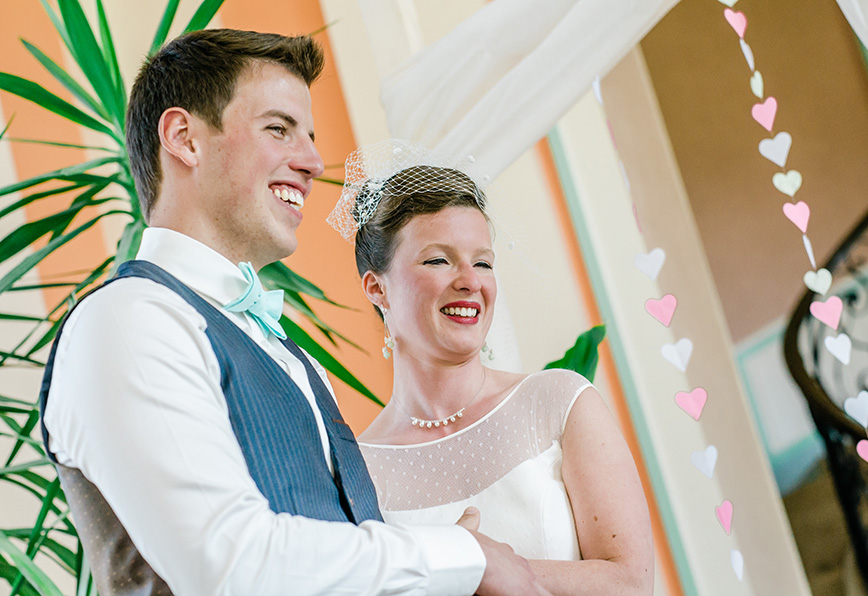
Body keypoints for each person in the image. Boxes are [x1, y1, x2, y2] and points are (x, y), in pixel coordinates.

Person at [38, 29, 549, 596]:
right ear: (184, 137)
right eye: (278, 129)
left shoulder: (282, 351)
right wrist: (461, 557)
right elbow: (229, 566)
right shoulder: (127, 322)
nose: (312, 162)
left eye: (309, 135)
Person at [329, 141, 655, 595]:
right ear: (376, 288)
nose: (470, 280)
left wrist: (471, 564)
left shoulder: (559, 403)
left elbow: (631, 582)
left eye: (483, 262)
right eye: (439, 260)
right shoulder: (359, 472)